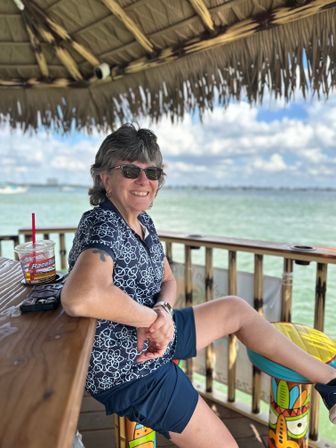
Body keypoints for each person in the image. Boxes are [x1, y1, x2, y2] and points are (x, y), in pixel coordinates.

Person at [61, 123, 336, 448]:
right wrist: (152, 321)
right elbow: (80, 296)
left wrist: (162, 311)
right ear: (104, 177)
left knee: (235, 308)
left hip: (156, 333)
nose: (144, 181)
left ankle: (330, 382)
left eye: (153, 173)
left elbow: (168, 280)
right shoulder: (102, 223)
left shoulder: (142, 221)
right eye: (130, 170)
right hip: (129, 368)